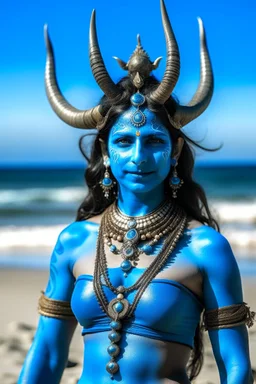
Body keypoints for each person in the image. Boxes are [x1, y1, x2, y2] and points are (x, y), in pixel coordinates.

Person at [18, 1, 255, 383]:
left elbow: (237, 368)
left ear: (175, 150)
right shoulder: (73, 241)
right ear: (106, 152)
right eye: (125, 140)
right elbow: (45, 353)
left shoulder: (207, 247)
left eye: (154, 141)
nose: (139, 156)